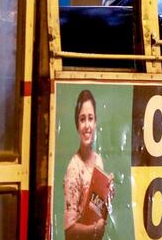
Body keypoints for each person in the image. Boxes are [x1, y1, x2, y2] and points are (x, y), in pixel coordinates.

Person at [63, 90, 112, 240]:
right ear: (77, 125)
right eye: (82, 119)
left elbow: (98, 213)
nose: (87, 126)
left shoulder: (98, 161)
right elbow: (69, 230)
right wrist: (94, 229)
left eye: (90, 119)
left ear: (95, 122)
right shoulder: (74, 167)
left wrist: (108, 194)